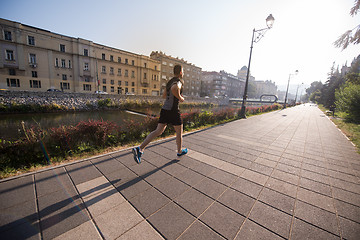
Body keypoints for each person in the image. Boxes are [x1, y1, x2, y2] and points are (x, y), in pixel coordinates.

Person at [132, 64, 188, 163]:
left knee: (158, 131)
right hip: (173, 110)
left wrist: (174, 95)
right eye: (183, 71)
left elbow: (164, 96)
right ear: (180, 72)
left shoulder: (169, 82)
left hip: (165, 109)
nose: (183, 73)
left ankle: (140, 148)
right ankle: (179, 151)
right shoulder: (178, 82)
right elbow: (175, 88)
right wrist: (180, 98)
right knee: (179, 132)